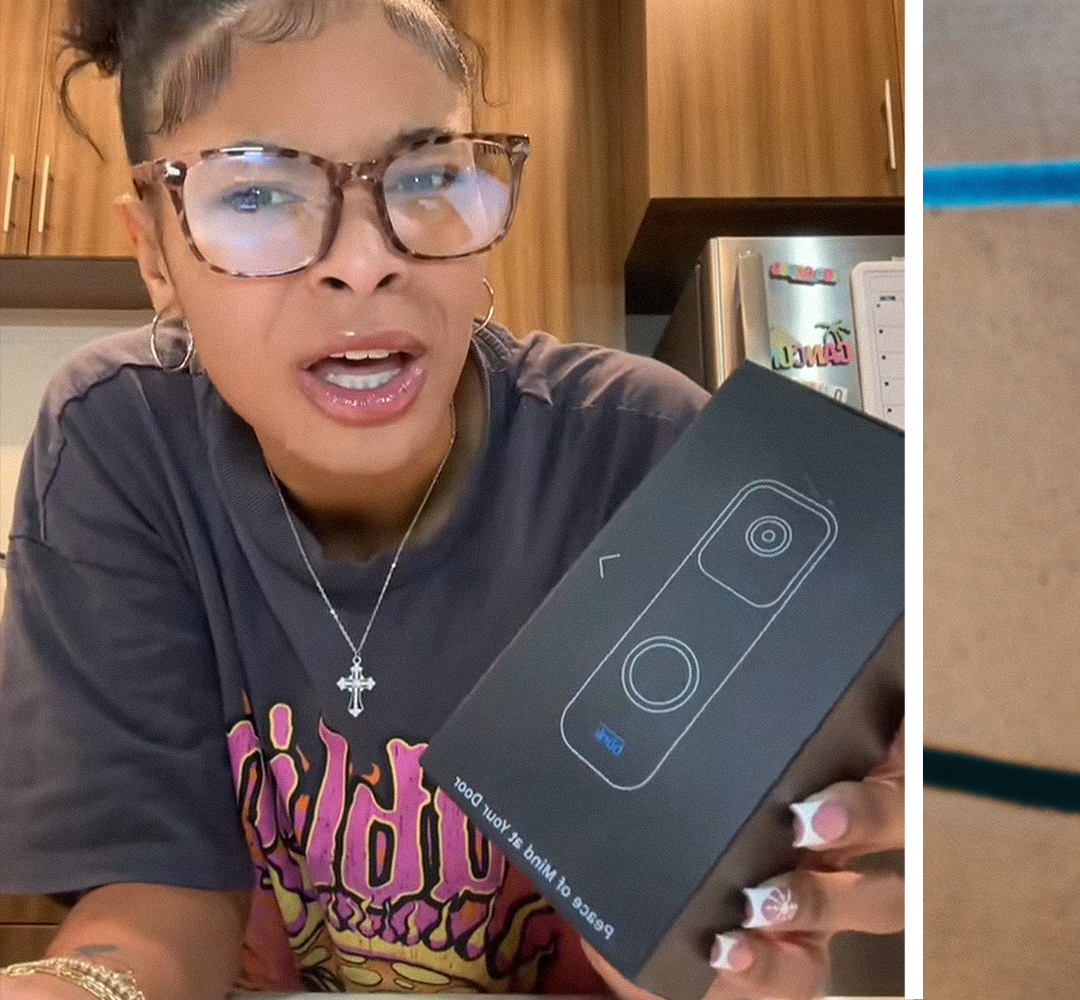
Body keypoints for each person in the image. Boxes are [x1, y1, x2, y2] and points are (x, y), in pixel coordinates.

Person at [0, 2, 904, 999]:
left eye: (425, 178)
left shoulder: (644, 454)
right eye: (255, 192)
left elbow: (677, 932)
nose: (363, 260)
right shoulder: (120, 442)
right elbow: (156, 898)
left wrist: (712, 961)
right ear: (152, 249)